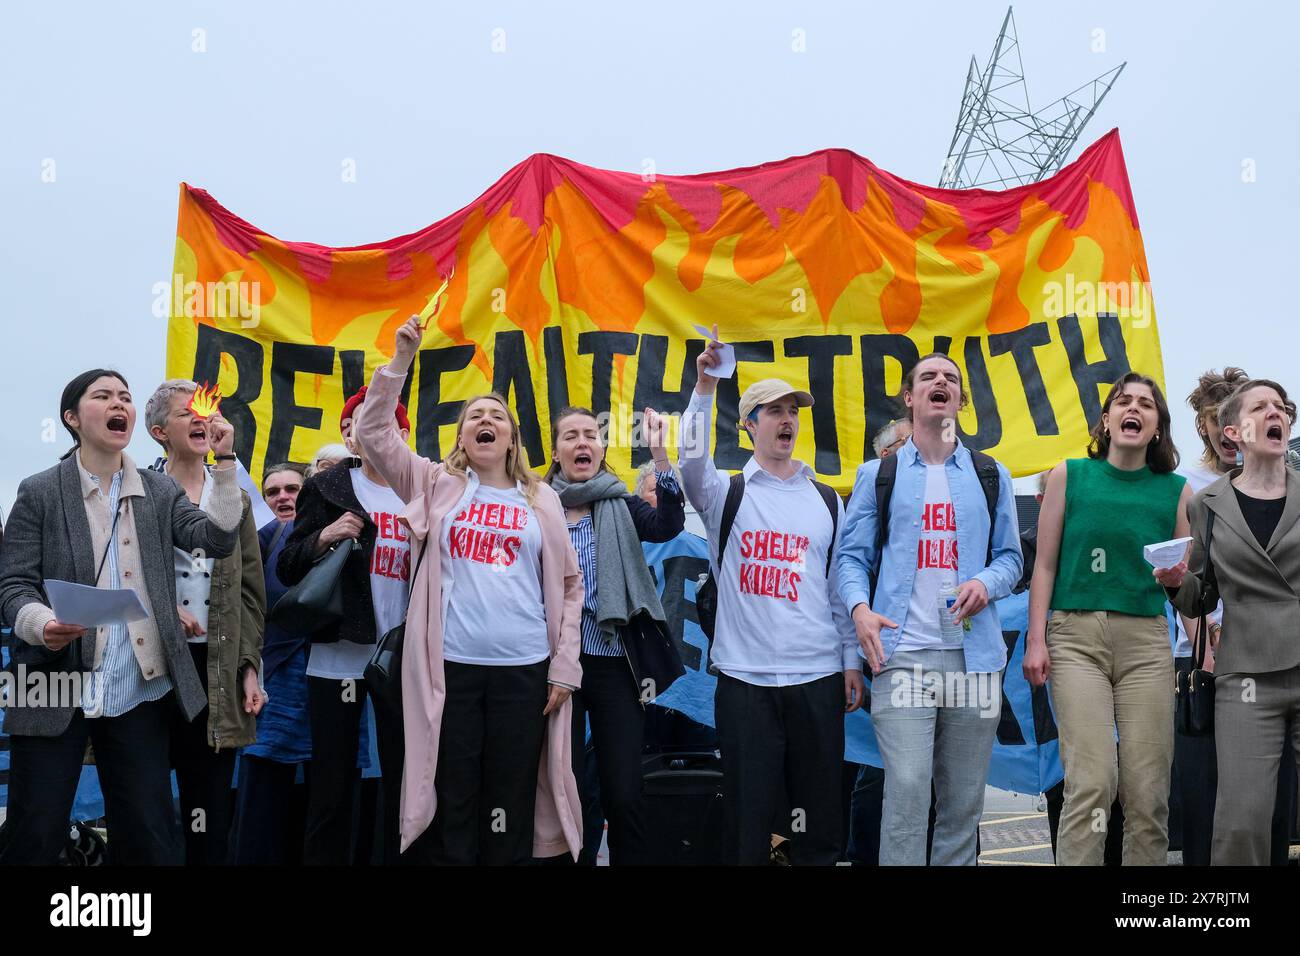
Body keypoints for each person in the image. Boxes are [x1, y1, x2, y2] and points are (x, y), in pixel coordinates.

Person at [357, 315, 584, 864]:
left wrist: (564, 667)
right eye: (474, 416)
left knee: (509, 797)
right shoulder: (436, 484)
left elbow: (571, 588)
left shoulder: (542, 501)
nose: (486, 420)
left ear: (511, 437)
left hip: (526, 671)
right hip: (451, 668)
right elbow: (372, 434)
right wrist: (401, 360)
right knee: (455, 791)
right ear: (461, 437)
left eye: (497, 416)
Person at [0, 369, 243, 864]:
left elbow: (216, 540)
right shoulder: (39, 490)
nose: (120, 404)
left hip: (139, 689)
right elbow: (13, 586)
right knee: (35, 835)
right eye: (104, 396)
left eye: (126, 397)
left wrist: (226, 462)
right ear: (71, 418)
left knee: (148, 837)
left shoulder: (158, 490)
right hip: (54, 684)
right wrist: (41, 624)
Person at [675, 325, 863, 866]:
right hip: (744, 680)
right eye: (774, 411)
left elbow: (836, 588)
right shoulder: (724, 494)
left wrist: (851, 662)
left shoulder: (827, 500)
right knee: (748, 821)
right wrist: (705, 388)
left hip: (819, 677)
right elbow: (689, 462)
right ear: (749, 425)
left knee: (819, 820)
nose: (787, 420)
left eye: (793, 412)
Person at [838, 353, 1022, 866]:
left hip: (976, 661)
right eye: (929, 378)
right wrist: (858, 608)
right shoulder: (879, 473)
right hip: (902, 658)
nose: (941, 382)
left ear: (961, 400)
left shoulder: (991, 474)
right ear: (911, 397)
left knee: (963, 803)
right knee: (908, 790)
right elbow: (850, 559)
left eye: (951, 379)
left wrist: (986, 583)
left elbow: (1011, 557)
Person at [1023, 371, 1191, 866]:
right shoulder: (1068, 475)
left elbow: (1184, 588)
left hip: (1146, 643)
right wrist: (1037, 639)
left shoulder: (1178, 492)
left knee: (1148, 792)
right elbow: (1045, 564)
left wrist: (1178, 582)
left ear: (1157, 425)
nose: (1133, 408)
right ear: (1107, 419)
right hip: (1074, 639)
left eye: (1145, 403)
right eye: (1123, 401)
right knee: (1093, 782)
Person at [1159, 378, 1300, 865]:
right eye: (1260, 407)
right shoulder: (1208, 504)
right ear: (1234, 431)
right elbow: (1202, 597)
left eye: (1280, 407)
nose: (1274, 413)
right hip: (1245, 676)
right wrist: (1175, 583)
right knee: (1241, 822)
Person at [545, 406, 685, 865]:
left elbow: (667, 525)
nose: (582, 443)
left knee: (623, 788)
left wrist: (661, 458)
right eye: (571, 436)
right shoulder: (536, 505)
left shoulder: (621, 503)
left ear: (602, 448)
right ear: (556, 450)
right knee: (564, 786)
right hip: (551, 666)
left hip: (613, 663)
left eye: (591, 434)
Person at [278, 391, 412, 865]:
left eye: (383, 422)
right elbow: (288, 567)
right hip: (338, 655)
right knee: (331, 785)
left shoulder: (424, 486)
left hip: (404, 656)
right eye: (358, 422)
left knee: (404, 781)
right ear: (348, 434)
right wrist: (324, 536)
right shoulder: (328, 485)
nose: (371, 430)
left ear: (403, 433)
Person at [144, 379, 267, 865]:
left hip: (214, 667)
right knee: (144, 806)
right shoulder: (137, 491)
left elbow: (251, 592)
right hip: (148, 663)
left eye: (206, 410)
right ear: (158, 432)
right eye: (185, 413)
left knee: (209, 808)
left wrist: (249, 665)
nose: (201, 419)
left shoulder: (233, 495)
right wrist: (159, 607)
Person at [231, 462, 312, 864]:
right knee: (263, 791)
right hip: (274, 677)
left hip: (330, 679)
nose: (283, 497)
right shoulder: (260, 539)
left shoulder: (334, 535)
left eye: (293, 488)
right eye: (273, 491)